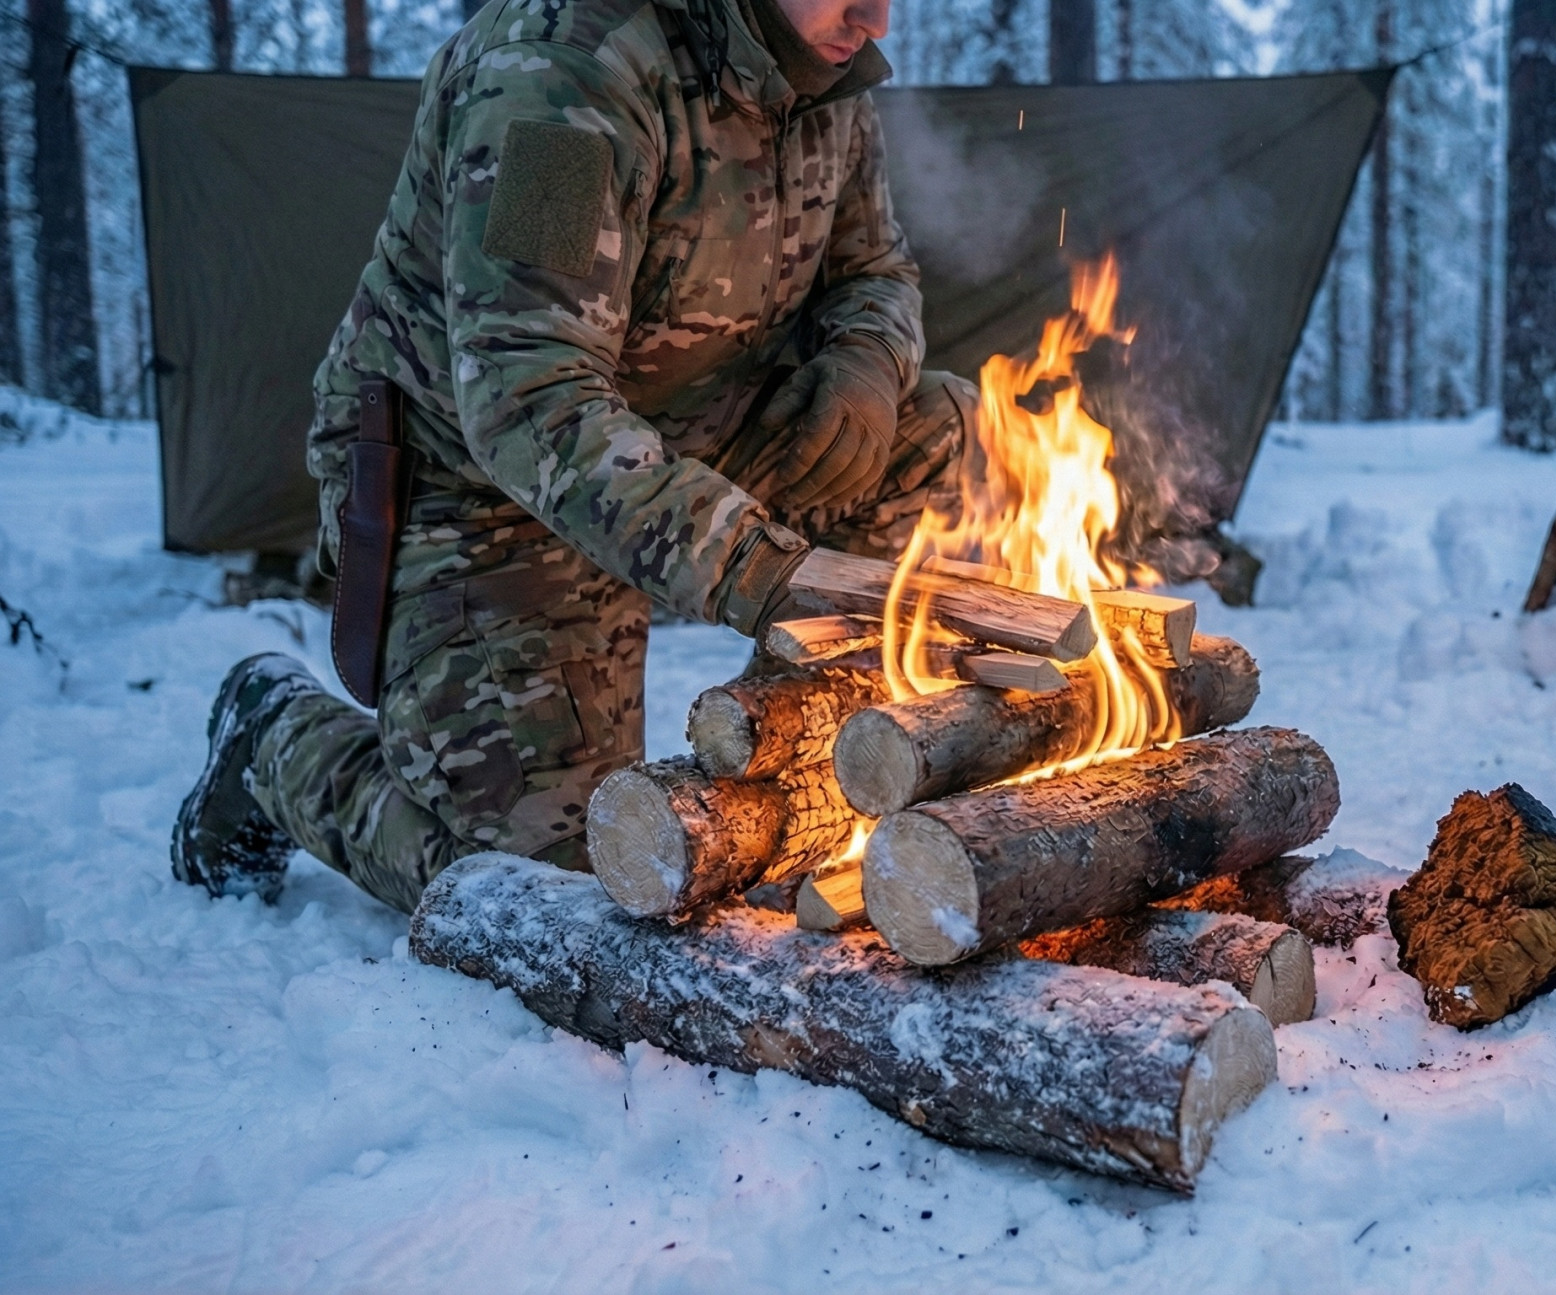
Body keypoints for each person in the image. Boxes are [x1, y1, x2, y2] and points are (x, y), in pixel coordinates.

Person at [171, 0, 970, 914]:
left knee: (932, 432)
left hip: (686, 443)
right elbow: (527, 398)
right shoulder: (559, 77)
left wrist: (869, 360)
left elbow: (875, 270)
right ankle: (276, 739)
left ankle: (781, 772)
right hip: (478, 493)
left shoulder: (824, 68)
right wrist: (750, 563)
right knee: (563, 886)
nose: (878, 17)